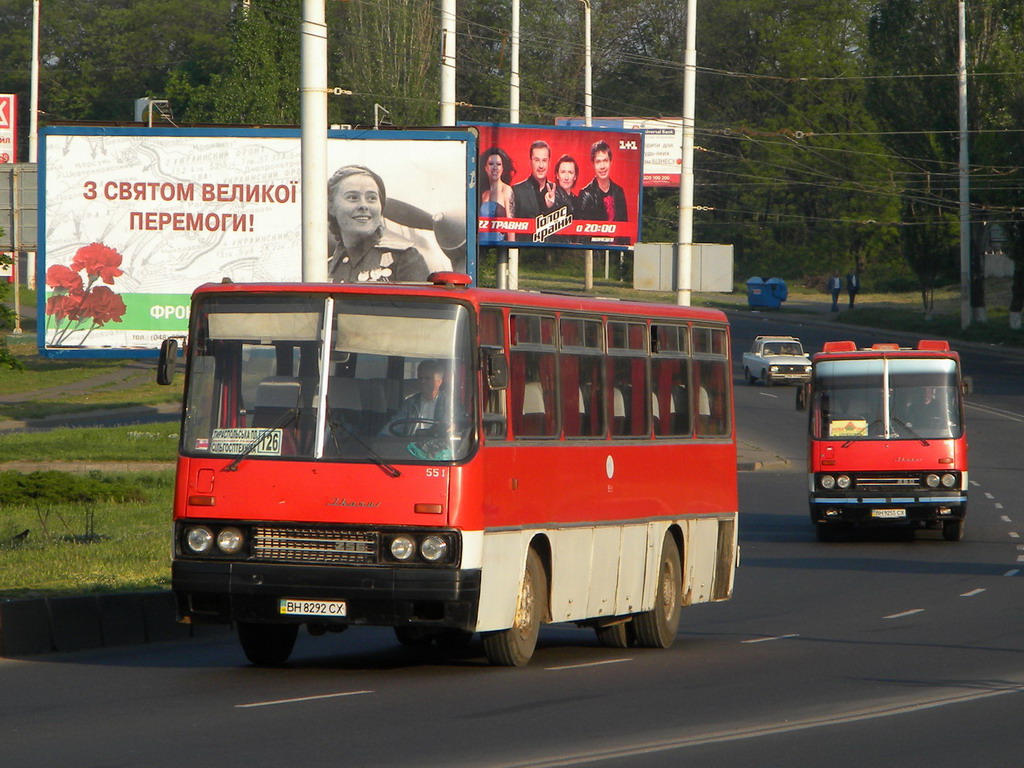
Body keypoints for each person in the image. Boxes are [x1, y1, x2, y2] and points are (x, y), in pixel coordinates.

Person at [327, 164, 430, 283]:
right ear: (331, 207)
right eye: (352, 197)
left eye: (372, 198)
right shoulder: (326, 268)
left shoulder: (403, 258)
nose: (364, 205)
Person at [383, 360, 447, 436]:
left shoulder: (449, 404)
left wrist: (430, 432)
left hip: (440, 446)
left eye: (427, 378)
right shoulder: (409, 403)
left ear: (438, 382)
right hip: (409, 446)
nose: (422, 381)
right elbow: (393, 427)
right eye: (420, 378)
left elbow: (452, 427)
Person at [577, 140, 628, 224]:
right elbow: (582, 231)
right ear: (593, 164)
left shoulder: (619, 191)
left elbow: (625, 228)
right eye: (598, 162)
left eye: (605, 161)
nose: (602, 166)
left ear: (610, 162)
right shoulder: (586, 194)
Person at [512, 140, 557, 220]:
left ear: (549, 163)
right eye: (537, 160)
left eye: (544, 160)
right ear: (530, 162)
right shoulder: (517, 191)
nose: (541, 165)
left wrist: (550, 207)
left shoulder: (557, 191)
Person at [478, 147, 516, 244]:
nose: (495, 167)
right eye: (491, 164)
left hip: (500, 245)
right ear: (486, 168)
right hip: (482, 246)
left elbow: (511, 226)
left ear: (502, 168)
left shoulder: (506, 190)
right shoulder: (483, 194)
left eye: (498, 164)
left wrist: (511, 249)